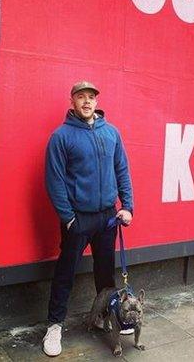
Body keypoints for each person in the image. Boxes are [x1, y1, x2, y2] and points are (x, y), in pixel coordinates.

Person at [42, 80, 135, 357]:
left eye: (91, 97)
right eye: (81, 97)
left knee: (105, 272)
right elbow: (54, 180)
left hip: (107, 216)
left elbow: (122, 170)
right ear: (72, 101)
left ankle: (102, 316)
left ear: (96, 101)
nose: (86, 102)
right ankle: (55, 326)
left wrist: (127, 205)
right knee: (65, 273)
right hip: (78, 219)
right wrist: (69, 218)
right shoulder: (61, 136)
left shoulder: (112, 133)